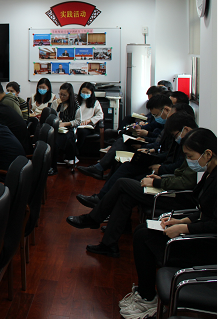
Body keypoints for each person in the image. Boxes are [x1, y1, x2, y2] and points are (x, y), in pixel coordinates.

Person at [120, 128, 215, 318]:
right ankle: (145, 293)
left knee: (144, 237)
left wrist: (184, 228)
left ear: (208, 154)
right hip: (198, 231)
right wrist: (182, 220)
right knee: (142, 230)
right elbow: (205, 212)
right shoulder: (210, 173)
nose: (189, 160)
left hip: (206, 244)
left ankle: (148, 298)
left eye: (190, 156)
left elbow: (214, 224)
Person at [65, 128, 202, 258]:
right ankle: (108, 245)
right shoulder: (193, 153)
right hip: (168, 189)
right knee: (125, 197)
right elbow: (178, 175)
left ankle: (93, 218)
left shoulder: (198, 157)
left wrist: (157, 182)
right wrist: (160, 179)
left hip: (172, 197)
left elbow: (185, 183)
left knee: (122, 183)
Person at [76, 114, 197, 209]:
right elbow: (164, 149)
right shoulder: (181, 138)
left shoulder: (191, 146)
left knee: (125, 181)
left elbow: (177, 168)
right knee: (126, 164)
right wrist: (148, 147)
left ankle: (100, 201)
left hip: (164, 174)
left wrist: (159, 168)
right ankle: (100, 192)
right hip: (159, 164)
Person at [77, 93, 171, 180]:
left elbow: (159, 142)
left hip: (153, 150)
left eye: (156, 115)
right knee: (120, 140)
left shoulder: (171, 124)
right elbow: (156, 135)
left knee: (121, 146)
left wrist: (145, 142)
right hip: (150, 144)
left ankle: (101, 168)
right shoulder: (164, 119)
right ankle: (103, 169)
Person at [58, 82, 102, 162]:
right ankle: (69, 155)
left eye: (87, 93)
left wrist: (89, 120)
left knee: (81, 132)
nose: (84, 94)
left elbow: (100, 115)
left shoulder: (95, 103)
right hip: (75, 124)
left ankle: (74, 153)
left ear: (91, 93)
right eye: (83, 92)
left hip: (86, 126)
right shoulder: (76, 101)